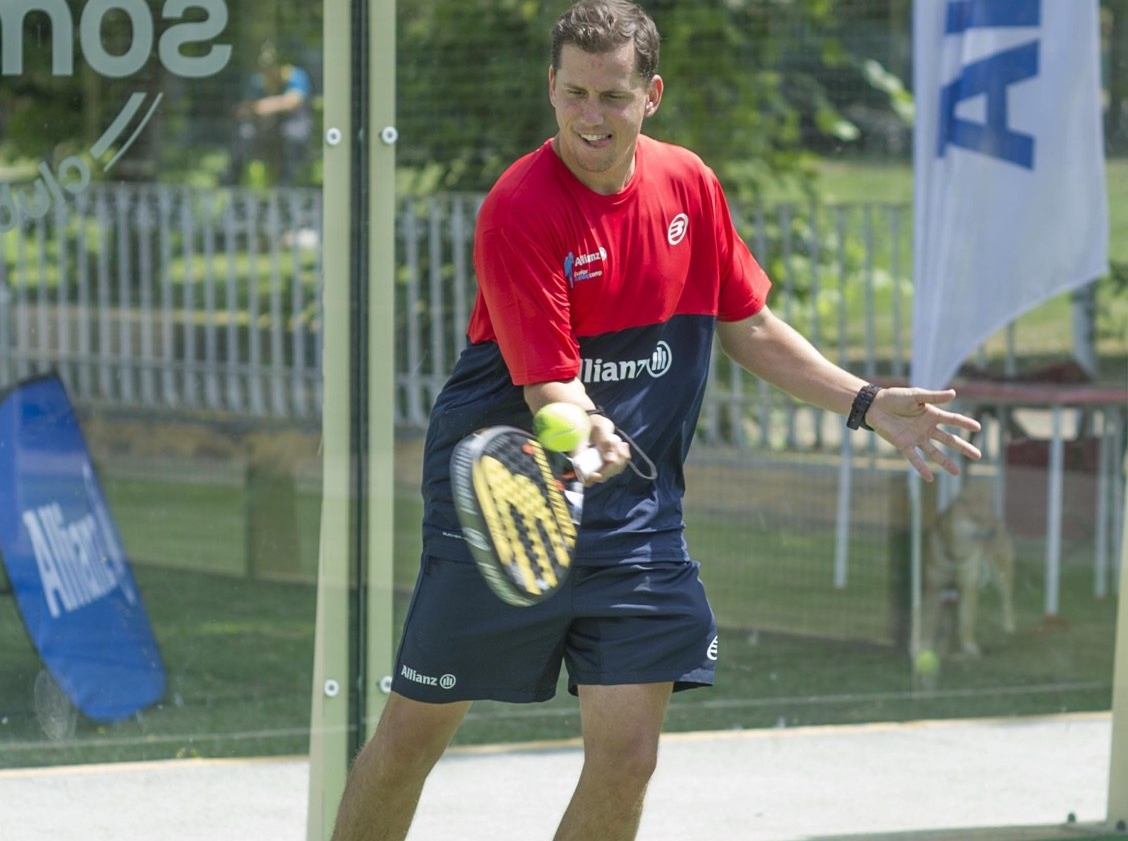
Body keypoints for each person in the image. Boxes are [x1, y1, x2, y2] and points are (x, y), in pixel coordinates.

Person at [330, 2, 983, 839]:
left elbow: (748, 324)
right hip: (507, 506)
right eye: (574, 93)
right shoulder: (519, 207)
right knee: (414, 734)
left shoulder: (689, 185)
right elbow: (550, 384)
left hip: (635, 516)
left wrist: (866, 402)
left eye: (612, 95)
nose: (590, 116)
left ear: (652, 95)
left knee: (629, 752)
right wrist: (586, 428)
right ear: (551, 87)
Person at [225, 41, 313, 186]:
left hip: (293, 129)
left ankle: (287, 184)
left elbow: (291, 101)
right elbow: (247, 106)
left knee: (290, 134)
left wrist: (260, 106)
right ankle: (232, 179)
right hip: (266, 130)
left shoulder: (296, 76)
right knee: (244, 133)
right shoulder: (258, 81)